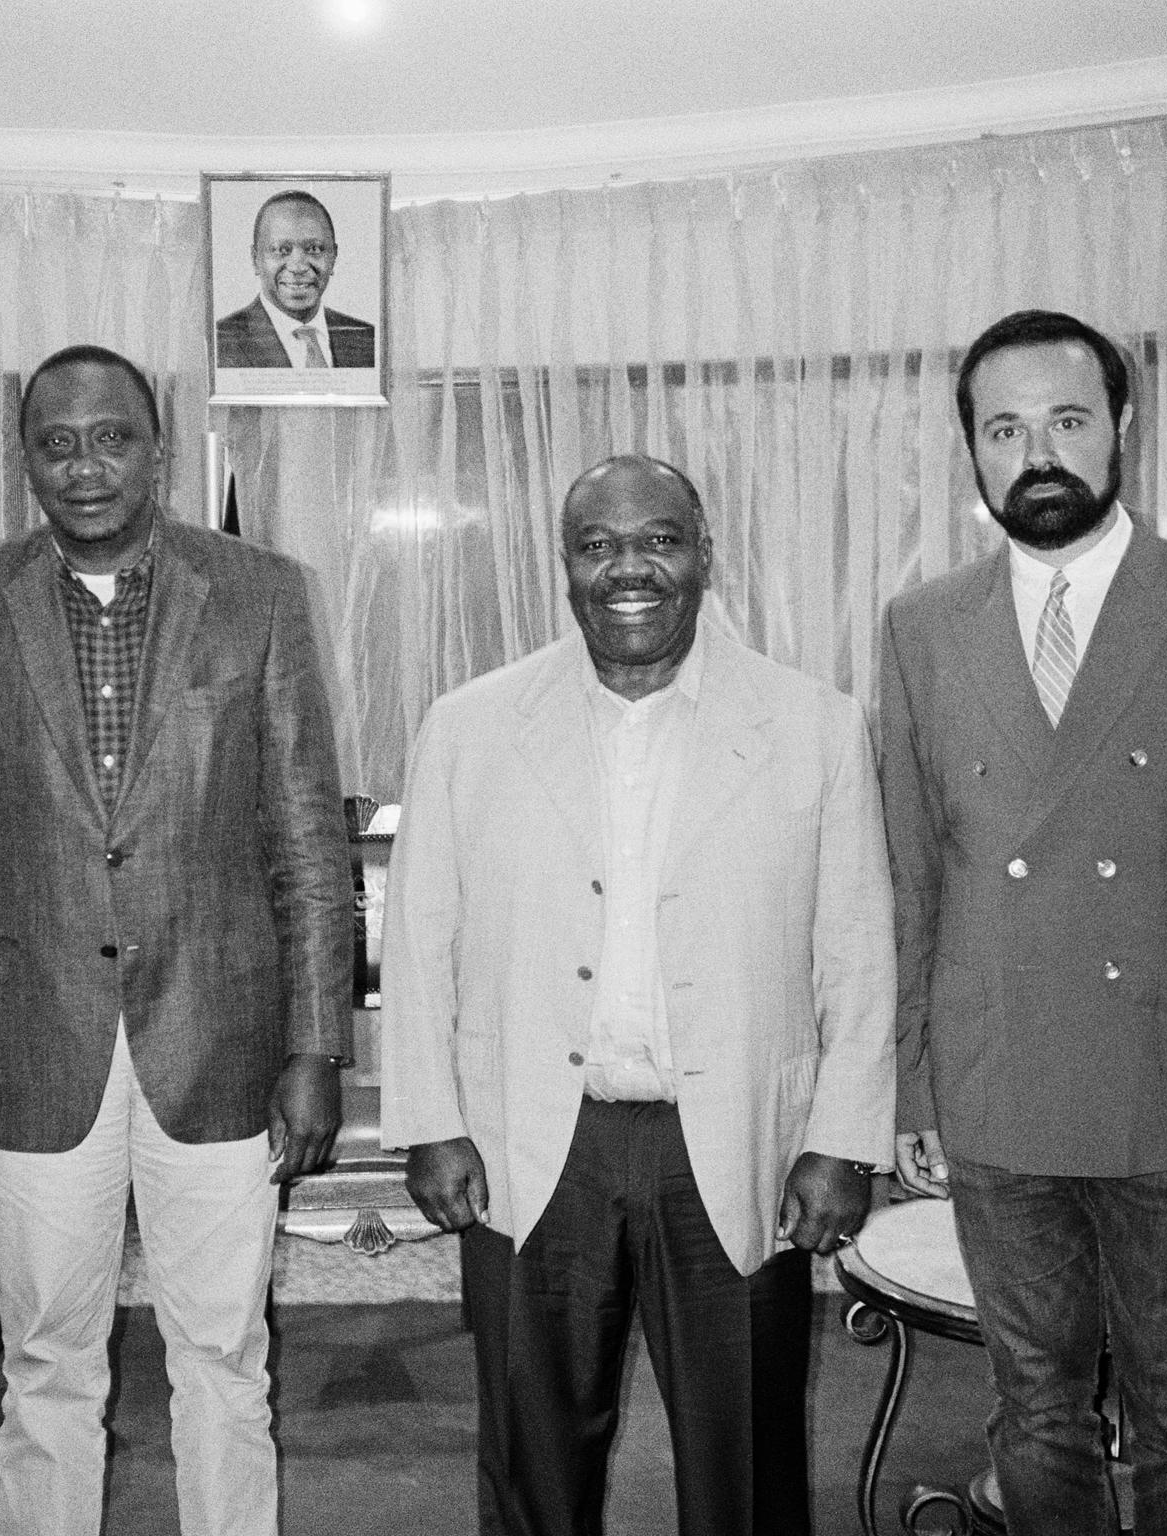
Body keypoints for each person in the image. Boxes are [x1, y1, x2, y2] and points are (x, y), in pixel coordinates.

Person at [879, 309, 1167, 1536]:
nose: (1036, 452)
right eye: (1003, 428)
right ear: (971, 454)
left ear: (1122, 431)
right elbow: (909, 872)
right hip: (994, 1086)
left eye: (1066, 420)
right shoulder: (919, 626)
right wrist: (912, 1084)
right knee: (1031, 1408)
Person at [0, 343, 354, 1536]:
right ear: (25, 457)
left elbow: (305, 842)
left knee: (222, 1350)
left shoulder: (258, 592)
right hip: (35, 1045)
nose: (84, 465)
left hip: (222, 1040)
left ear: (157, 447)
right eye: (56, 442)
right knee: (46, 1359)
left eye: (111, 438)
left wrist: (315, 1048)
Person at [381, 453, 896, 1536]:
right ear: (562, 566)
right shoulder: (469, 726)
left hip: (733, 1142)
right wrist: (428, 1123)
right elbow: (419, 940)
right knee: (531, 1456)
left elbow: (855, 947)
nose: (629, 567)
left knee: (742, 1465)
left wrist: (841, 1140)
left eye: (658, 540)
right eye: (597, 544)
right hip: (532, 1145)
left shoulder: (814, 725)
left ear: (703, 557)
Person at [216, 189, 376, 369]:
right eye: (280, 250)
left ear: (334, 257)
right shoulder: (221, 342)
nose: (298, 267)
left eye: (314, 249)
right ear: (255, 259)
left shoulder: (369, 341)